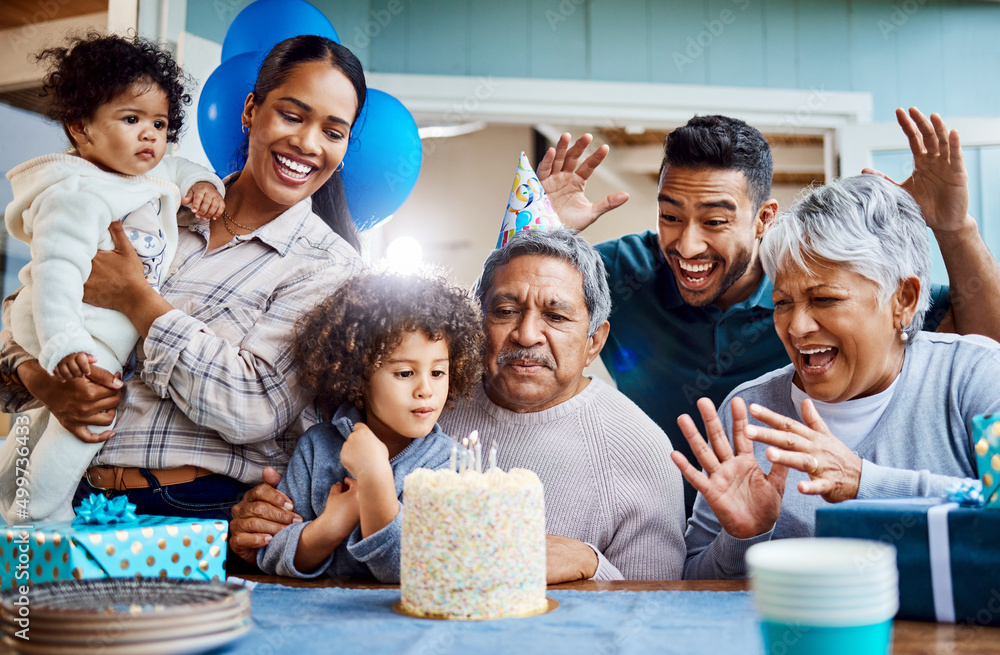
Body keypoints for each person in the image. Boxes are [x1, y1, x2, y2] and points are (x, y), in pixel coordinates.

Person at [538, 111, 1000, 516]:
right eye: (670, 217)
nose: (688, 245)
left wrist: (955, 229)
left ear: (764, 219)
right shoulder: (624, 272)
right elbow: (513, 320)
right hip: (663, 529)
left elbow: (985, 343)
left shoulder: (857, 298)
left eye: (715, 221)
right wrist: (539, 232)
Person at [0, 35, 365, 527]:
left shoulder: (330, 267)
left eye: (333, 132)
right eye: (292, 116)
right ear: (251, 111)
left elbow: (253, 405)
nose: (307, 143)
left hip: (194, 512)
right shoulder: (151, 197)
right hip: (68, 498)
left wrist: (138, 301)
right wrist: (43, 380)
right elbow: (32, 309)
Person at [232, 229, 687, 582]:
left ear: (595, 342)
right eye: (505, 310)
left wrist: (589, 562)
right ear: (474, 324)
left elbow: (655, 609)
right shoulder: (426, 400)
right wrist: (261, 520)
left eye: (556, 315)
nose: (527, 334)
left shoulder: (641, 447)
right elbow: (284, 523)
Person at [673, 173, 999, 579]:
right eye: (783, 303)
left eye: (824, 298)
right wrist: (744, 537)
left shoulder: (976, 376)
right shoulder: (748, 414)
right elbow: (690, 587)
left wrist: (865, 482)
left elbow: (994, 502)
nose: (796, 327)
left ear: (904, 299)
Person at [0, 33, 226, 522]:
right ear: (81, 129)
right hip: (79, 329)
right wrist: (64, 346)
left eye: (160, 123)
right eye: (131, 119)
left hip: (99, 325)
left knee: (38, 425)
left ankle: (9, 491)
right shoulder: (76, 196)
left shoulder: (138, 171)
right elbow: (55, 273)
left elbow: (177, 165)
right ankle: (38, 512)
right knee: (88, 423)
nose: (149, 135)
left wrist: (204, 185)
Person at [256, 271, 482, 582]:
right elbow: (270, 553)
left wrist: (375, 476)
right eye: (404, 373)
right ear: (357, 377)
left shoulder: (455, 466)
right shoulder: (316, 447)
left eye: (438, 372)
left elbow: (413, 569)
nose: (425, 389)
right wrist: (333, 523)